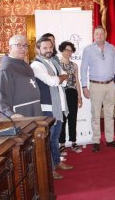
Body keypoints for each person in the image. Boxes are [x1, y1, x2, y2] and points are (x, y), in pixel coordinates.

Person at [31, 37, 73, 180]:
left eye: (50, 47)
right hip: (47, 107)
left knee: (55, 138)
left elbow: (65, 80)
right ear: (38, 49)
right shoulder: (36, 65)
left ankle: (57, 162)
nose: (48, 50)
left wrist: (60, 78)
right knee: (48, 140)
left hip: (59, 105)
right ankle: (49, 169)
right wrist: (60, 77)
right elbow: (52, 81)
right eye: (44, 48)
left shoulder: (54, 61)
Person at [81, 26, 115, 153]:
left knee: (110, 114)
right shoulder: (88, 50)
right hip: (95, 85)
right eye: (97, 33)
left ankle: (110, 140)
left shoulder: (111, 48)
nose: (99, 36)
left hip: (110, 85)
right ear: (94, 35)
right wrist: (84, 86)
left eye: (101, 33)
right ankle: (96, 141)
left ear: (105, 34)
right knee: (96, 114)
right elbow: (83, 69)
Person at [0, 35, 42, 118]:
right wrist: (9, 114)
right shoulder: (6, 69)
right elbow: (1, 96)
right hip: (20, 113)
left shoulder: (26, 66)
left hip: (34, 109)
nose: (23, 49)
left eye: (25, 46)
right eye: (19, 45)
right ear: (10, 48)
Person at [58, 41, 83, 153]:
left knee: (73, 118)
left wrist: (80, 97)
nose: (68, 52)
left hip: (72, 93)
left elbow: (77, 81)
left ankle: (73, 142)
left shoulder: (74, 65)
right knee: (62, 119)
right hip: (61, 94)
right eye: (66, 50)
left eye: (70, 50)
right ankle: (62, 144)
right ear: (62, 50)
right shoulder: (57, 64)